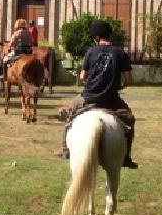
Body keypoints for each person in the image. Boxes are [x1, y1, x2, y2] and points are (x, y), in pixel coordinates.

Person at [58, 19, 137, 169]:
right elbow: (129, 79)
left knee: (70, 115)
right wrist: (120, 86)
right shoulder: (120, 53)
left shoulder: (91, 51)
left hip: (88, 97)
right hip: (111, 99)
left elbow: (82, 76)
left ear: (96, 37)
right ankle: (126, 157)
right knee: (129, 120)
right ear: (109, 36)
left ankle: (65, 150)